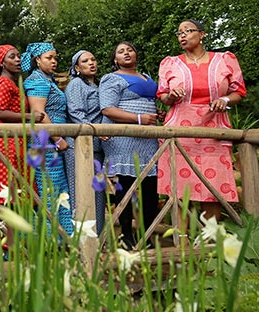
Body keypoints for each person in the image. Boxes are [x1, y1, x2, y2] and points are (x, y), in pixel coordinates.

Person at [157, 20, 246, 221]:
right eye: (179, 33)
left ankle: (209, 241)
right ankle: (181, 244)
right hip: (179, 133)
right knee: (180, 190)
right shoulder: (170, 63)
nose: (182, 36)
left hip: (214, 130)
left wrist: (224, 99)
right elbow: (162, 96)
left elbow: (238, 91)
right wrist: (171, 96)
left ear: (202, 34)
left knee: (212, 189)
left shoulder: (225, 59)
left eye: (187, 31)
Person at [99, 41, 159, 249]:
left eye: (130, 50)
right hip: (123, 139)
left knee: (151, 188)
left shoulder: (147, 77)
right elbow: (107, 109)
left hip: (148, 140)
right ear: (115, 59)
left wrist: (153, 115)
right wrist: (140, 118)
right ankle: (126, 236)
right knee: (126, 187)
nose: (126, 53)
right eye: (121, 51)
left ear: (136, 54)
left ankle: (147, 235)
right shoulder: (111, 79)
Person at [22, 42, 73, 236]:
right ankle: (46, 239)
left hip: (53, 142)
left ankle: (60, 238)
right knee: (49, 191)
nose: (54, 61)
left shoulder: (48, 79)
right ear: (37, 60)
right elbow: (39, 113)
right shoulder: (37, 81)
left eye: (55, 58)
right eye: (49, 58)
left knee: (57, 189)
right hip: (45, 143)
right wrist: (58, 139)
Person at [0, 45, 44, 203]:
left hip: (16, 142)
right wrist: (29, 117)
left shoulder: (12, 83)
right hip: (6, 143)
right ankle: (3, 227)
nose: (18, 60)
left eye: (18, 56)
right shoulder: (3, 82)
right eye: (12, 57)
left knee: (17, 193)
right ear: (2, 63)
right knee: (6, 192)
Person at [64, 50, 106, 234]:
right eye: (85, 61)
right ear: (77, 68)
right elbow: (76, 114)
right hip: (78, 146)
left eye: (93, 59)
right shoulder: (76, 85)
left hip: (97, 146)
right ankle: (79, 238)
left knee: (98, 192)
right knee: (79, 190)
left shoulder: (96, 86)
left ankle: (96, 237)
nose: (91, 63)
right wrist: (98, 132)